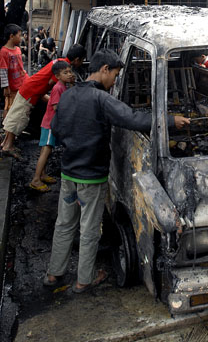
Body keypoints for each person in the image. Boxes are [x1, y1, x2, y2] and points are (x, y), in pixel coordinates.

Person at [44, 49, 190, 293]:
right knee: (90, 228)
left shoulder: (68, 96)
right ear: (104, 69)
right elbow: (132, 118)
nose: (114, 80)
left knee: (64, 223)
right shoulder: (101, 100)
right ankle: (84, 279)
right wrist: (170, 120)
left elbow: (56, 128)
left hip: (68, 173)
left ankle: (54, 274)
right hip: (90, 176)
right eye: (114, 74)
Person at [1, 43, 86, 159]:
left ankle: (6, 143)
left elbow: (47, 85)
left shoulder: (60, 61)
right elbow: (52, 83)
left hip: (30, 88)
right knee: (19, 118)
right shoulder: (64, 68)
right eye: (81, 61)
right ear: (77, 60)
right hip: (31, 92)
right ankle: (8, 147)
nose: (69, 74)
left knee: (15, 116)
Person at [29, 61, 74, 193]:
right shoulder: (58, 88)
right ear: (57, 76)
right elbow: (56, 107)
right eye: (65, 73)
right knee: (46, 150)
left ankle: (42, 174)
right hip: (50, 124)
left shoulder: (63, 86)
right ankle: (36, 179)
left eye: (70, 71)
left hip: (52, 124)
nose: (69, 74)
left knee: (47, 150)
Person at [0, 24, 28, 118]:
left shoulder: (18, 50)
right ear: (11, 36)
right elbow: (3, 70)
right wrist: (5, 87)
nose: (21, 38)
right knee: (9, 106)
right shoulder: (4, 52)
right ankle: (6, 127)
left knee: (17, 106)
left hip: (22, 81)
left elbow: (21, 67)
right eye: (19, 35)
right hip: (12, 86)